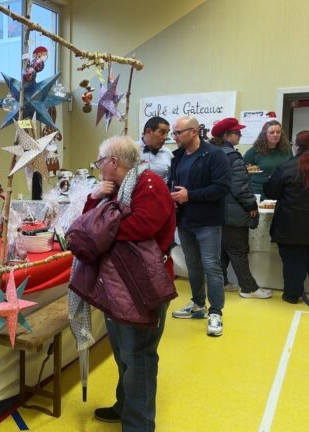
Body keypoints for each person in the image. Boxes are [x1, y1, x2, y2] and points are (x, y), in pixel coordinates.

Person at [87, 136, 176, 431]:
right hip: (117, 283)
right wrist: (96, 197)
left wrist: (101, 226)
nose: (99, 167)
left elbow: (140, 227)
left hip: (142, 285)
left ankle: (139, 425)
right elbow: (89, 220)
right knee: (124, 352)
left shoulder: (150, 185)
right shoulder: (116, 189)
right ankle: (125, 406)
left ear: (113, 162)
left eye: (101, 162)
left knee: (139, 356)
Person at [168, 116, 231, 337]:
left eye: (177, 132)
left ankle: (216, 313)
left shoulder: (214, 155)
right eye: (173, 133)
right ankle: (197, 304)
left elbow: (222, 188)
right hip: (185, 220)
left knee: (211, 267)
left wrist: (190, 196)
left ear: (193, 132)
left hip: (207, 221)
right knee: (193, 265)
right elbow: (174, 183)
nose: (174, 137)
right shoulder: (178, 157)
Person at [210, 118, 272, 299]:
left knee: (224, 248)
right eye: (237, 132)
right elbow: (239, 187)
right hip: (234, 211)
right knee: (238, 249)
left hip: (219, 210)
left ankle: (222, 282)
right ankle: (248, 288)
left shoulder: (214, 153)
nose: (240, 134)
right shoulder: (233, 157)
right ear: (226, 135)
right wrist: (251, 204)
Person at [263, 130, 309, 304]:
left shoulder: (286, 168)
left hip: (291, 226)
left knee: (293, 263)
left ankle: (291, 295)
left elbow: (271, 192)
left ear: (297, 147)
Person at [243, 120, 292, 195]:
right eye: (272, 132)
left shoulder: (287, 150)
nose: (275, 135)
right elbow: (244, 171)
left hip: (282, 191)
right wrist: (259, 171)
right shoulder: (254, 151)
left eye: (278, 132)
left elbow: (292, 168)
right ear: (264, 134)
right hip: (259, 191)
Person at [138, 116, 172, 181]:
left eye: (167, 133)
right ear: (148, 131)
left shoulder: (168, 153)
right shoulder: (131, 149)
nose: (165, 137)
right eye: (162, 132)